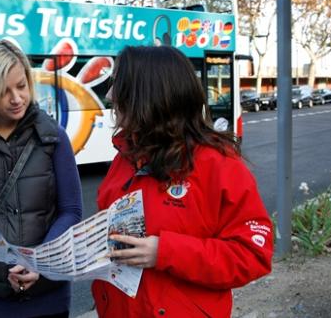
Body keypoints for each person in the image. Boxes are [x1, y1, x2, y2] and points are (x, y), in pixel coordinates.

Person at [92, 45, 273, 317]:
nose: (109, 95)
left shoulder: (218, 165)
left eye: (118, 83)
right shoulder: (125, 157)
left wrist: (165, 252)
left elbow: (252, 255)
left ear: (148, 94)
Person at [0, 39, 83, 318]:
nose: (17, 98)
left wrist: (39, 262)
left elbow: (71, 211)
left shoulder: (53, 137)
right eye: (3, 91)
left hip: (49, 296)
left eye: (21, 86)